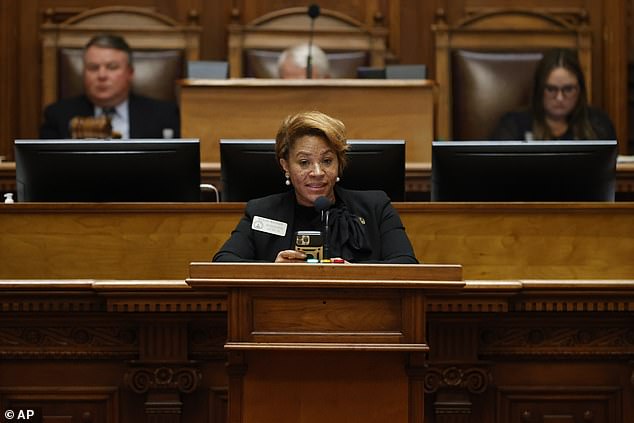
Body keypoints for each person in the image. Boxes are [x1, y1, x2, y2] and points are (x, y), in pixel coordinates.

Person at [213, 111, 418, 264]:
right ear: (285, 166)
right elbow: (223, 263)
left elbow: (407, 264)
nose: (317, 172)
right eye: (304, 163)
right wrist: (272, 270)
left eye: (327, 161)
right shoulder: (261, 212)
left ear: (340, 163)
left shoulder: (375, 207)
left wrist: (354, 274)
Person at [40, 34, 180, 139]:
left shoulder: (165, 116)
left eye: (112, 67)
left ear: (130, 73)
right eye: (93, 67)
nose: (102, 75)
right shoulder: (58, 116)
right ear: (83, 73)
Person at [491, 48, 616, 141]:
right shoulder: (514, 124)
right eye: (551, 89)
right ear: (539, 89)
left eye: (568, 89)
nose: (559, 98)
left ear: (579, 90)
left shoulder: (598, 124)